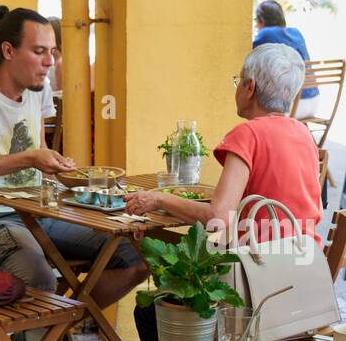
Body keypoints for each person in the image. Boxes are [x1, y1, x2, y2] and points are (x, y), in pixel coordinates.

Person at [0, 6, 148, 338]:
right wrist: (29, 159)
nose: (50, 62)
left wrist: (60, 170)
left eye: (52, 52)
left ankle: (65, 332)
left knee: (135, 255)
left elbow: (36, 159)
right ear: (8, 51)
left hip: (39, 213)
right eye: (39, 52)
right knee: (38, 275)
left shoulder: (38, 89)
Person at [125, 43, 321, 241]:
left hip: (261, 265)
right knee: (158, 243)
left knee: (149, 247)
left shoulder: (248, 134)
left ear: (250, 87)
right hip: (307, 260)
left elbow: (217, 217)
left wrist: (158, 198)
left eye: (239, 82)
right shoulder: (304, 134)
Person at [252, 0, 318, 120]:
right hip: (313, 101)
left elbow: (247, 55)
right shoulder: (296, 33)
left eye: (256, 20)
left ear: (261, 20)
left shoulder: (266, 34)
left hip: (291, 106)